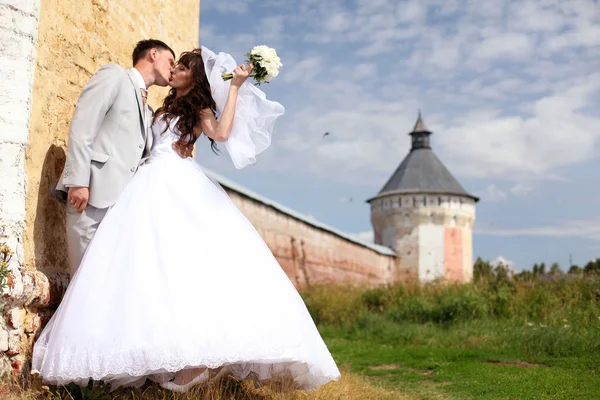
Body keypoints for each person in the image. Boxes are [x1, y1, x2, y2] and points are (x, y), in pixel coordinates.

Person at [32, 47, 341, 393]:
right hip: (145, 183)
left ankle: (192, 364)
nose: (174, 70)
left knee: (185, 267)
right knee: (148, 269)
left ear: (193, 76)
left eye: (181, 66)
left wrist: (236, 86)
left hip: (176, 182)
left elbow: (222, 134)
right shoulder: (159, 107)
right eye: (173, 63)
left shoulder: (198, 109)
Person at [56, 39, 176, 277]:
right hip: (91, 198)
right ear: (153, 53)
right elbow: (83, 124)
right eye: (171, 61)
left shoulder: (148, 110)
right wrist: (78, 180)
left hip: (121, 211)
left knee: (106, 286)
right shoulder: (115, 76)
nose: (173, 69)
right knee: (85, 282)